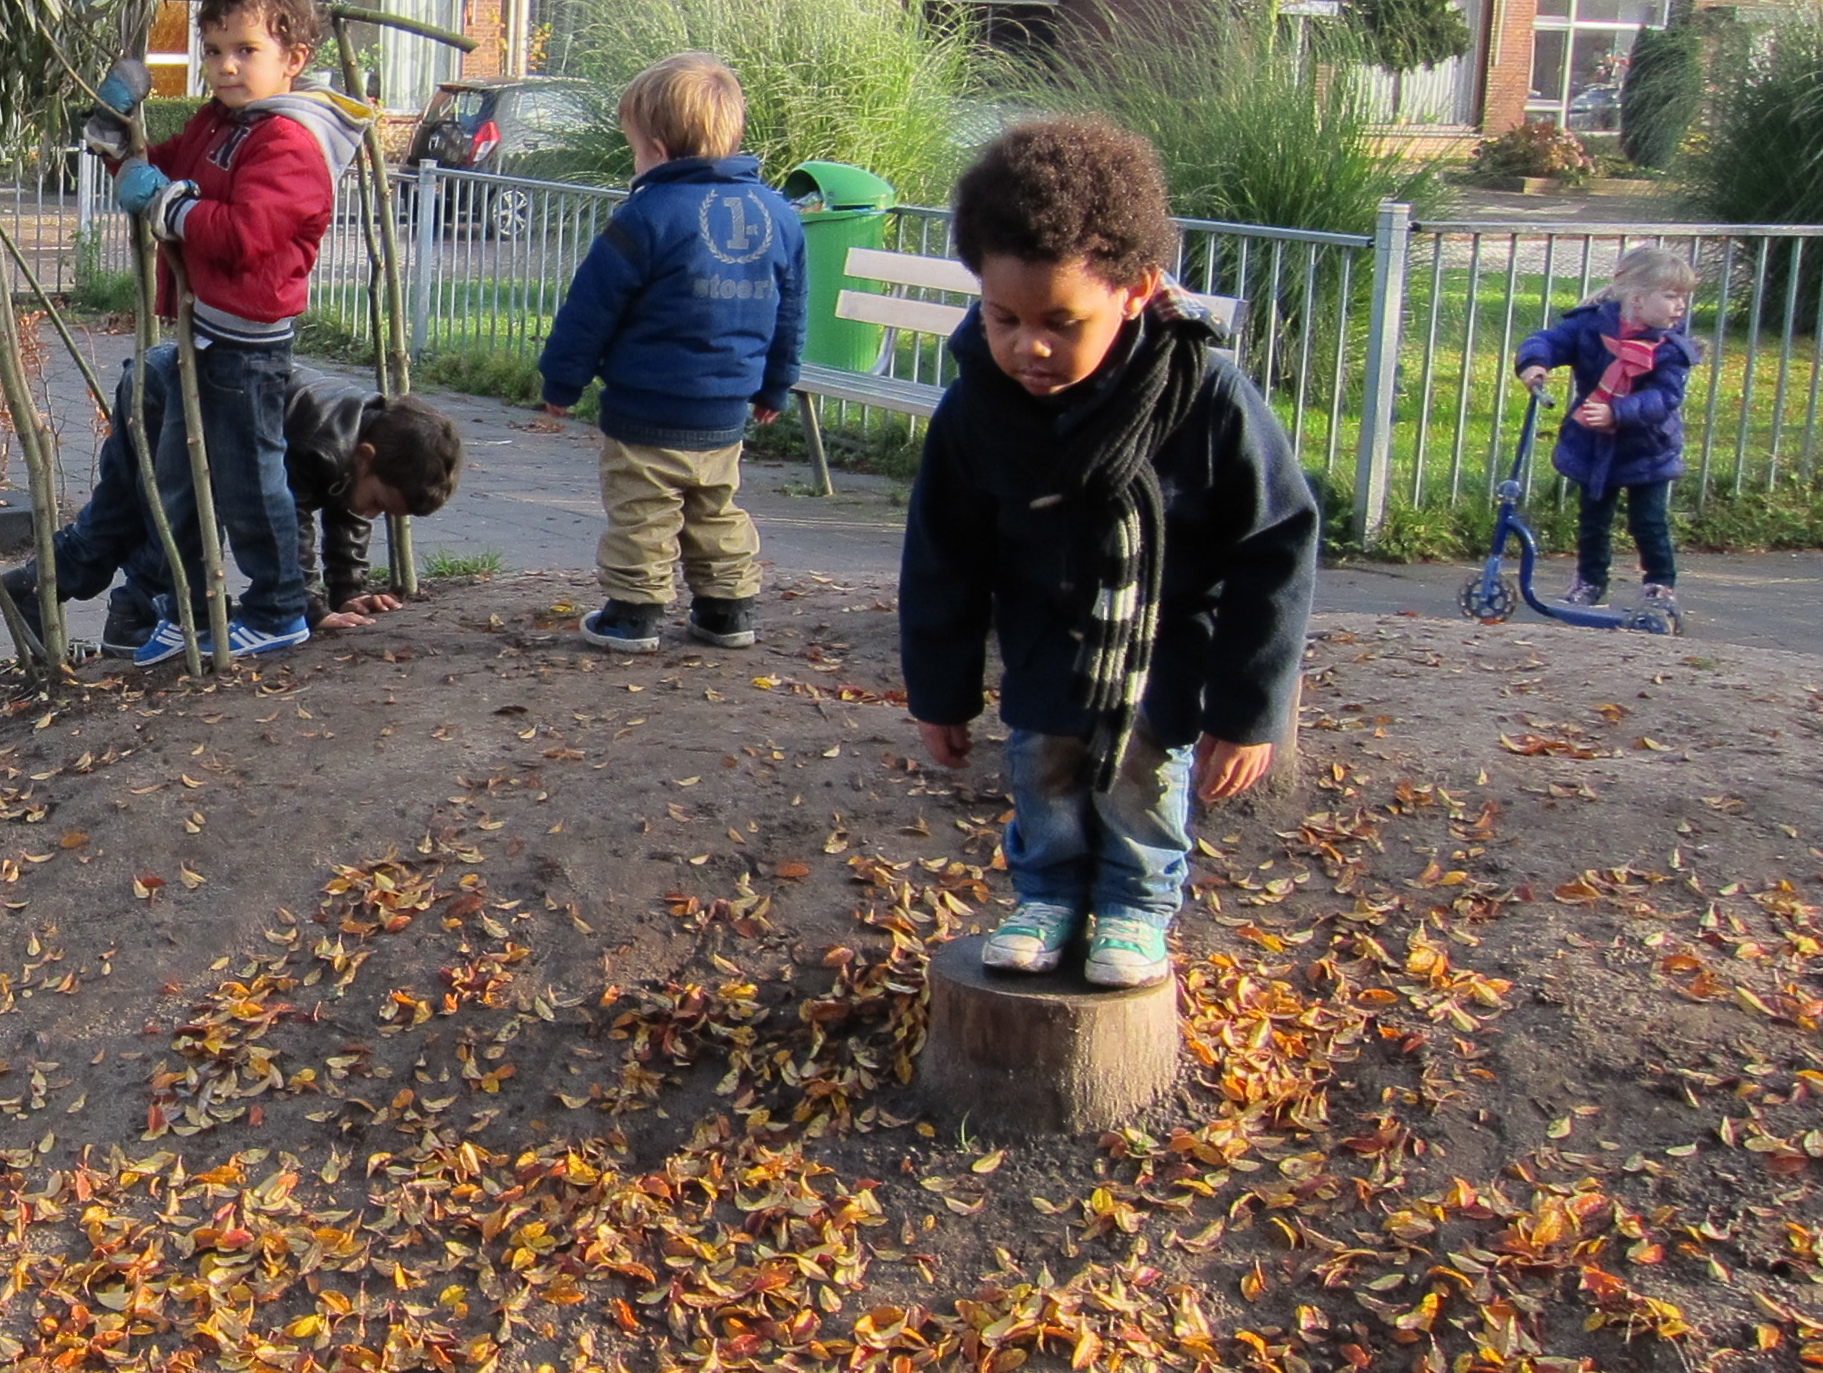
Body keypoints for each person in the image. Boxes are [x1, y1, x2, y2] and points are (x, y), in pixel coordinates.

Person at [899, 118, 1319, 991]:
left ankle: (1135, 906)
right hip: (1043, 637)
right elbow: (944, 552)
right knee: (1043, 768)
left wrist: (1250, 712)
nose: (1029, 347)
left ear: (1135, 291)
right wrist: (940, 690)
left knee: (1141, 782)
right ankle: (1048, 893)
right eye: (1004, 317)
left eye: (1061, 321)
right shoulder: (978, 406)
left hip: (1161, 647)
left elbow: (1275, 548)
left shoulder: (1203, 394)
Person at [104, 0, 362, 663]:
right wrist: (114, 137)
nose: (224, 67)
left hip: (247, 348)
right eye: (213, 51)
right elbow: (156, 163)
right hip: (202, 335)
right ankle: (187, 608)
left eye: (246, 51)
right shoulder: (221, 123)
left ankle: (278, 607)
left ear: (294, 58)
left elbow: (247, 234)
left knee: (251, 483)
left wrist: (166, 203)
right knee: (182, 480)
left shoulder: (290, 142)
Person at [531, 52, 806, 653]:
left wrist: (562, 382)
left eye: (633, 148)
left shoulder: (646, 216)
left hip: (645, 408)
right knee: (715, 506)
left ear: (655, 147)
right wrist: (776, 385)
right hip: (726, 409)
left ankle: (634, 612)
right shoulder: (779, 216)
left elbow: (591, 308)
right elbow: (790, 311)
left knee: (642, 511)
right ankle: (727, 610)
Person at [4, 379, 465, 656]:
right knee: (168, 514)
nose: (372, 514)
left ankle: (37, 584)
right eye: (380, 503)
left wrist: (348, 593)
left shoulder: (366, 441)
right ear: (364, 457)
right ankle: (136, 612)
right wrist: (310, 606)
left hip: (176, 390)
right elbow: (289, 523)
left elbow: (348, 512)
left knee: (118, 513)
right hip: (171, 396)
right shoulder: (319, 440)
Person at [1513, 244, 1696, 625]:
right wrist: (1535, 363)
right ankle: (1590, 581)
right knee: (1593, 518)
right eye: (1672, 296)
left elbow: (1664, 398)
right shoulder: (1591, 326)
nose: (1680, 307)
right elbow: (1550, 339)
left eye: (1683, 298)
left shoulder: (1670, 348)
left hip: (1647, 447)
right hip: (1594, 445)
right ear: (1638, 297)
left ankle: (1659, 585)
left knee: (1648, 521)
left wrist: (1617, 412)